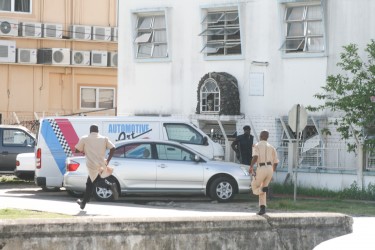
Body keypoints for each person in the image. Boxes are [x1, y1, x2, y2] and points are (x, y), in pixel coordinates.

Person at [75, 124, 117, 210]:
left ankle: (110, 186)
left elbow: (77, 150)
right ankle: (83, 203)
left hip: (92, 165)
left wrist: (84, 149)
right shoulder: (104, 138)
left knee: (95, 182)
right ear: (98, 131)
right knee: (90, 183)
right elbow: (113, 148)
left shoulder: (85, 138)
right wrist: (108, 160)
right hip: (101, 165)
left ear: (90, 131)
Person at [249, 130, 279, 215]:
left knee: (254, 187)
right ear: (267, 137)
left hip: (261, 167)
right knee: (263, 189)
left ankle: (263, 190)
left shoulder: (256, 146)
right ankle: (262, 208)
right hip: (270, 168)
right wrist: (271, 172)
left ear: (260, 136)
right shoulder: (272, 147)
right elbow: (276, 162)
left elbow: (255, 157)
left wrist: (251, 167)